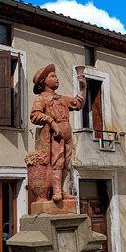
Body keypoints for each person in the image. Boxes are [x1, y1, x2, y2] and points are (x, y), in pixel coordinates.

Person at [28, 64, 86, 202]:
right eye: (52, 76)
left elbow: (78, 104)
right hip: (55, 134)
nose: (56, 79)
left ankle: (61, 188)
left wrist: (83, 87)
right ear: (43, 81)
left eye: (56, 76)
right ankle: (57, 191)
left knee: (66, 163)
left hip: (67, 133)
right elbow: (34, 115)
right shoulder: (41, 99)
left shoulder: (62, 99)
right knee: (57, 162)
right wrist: (51, 122)